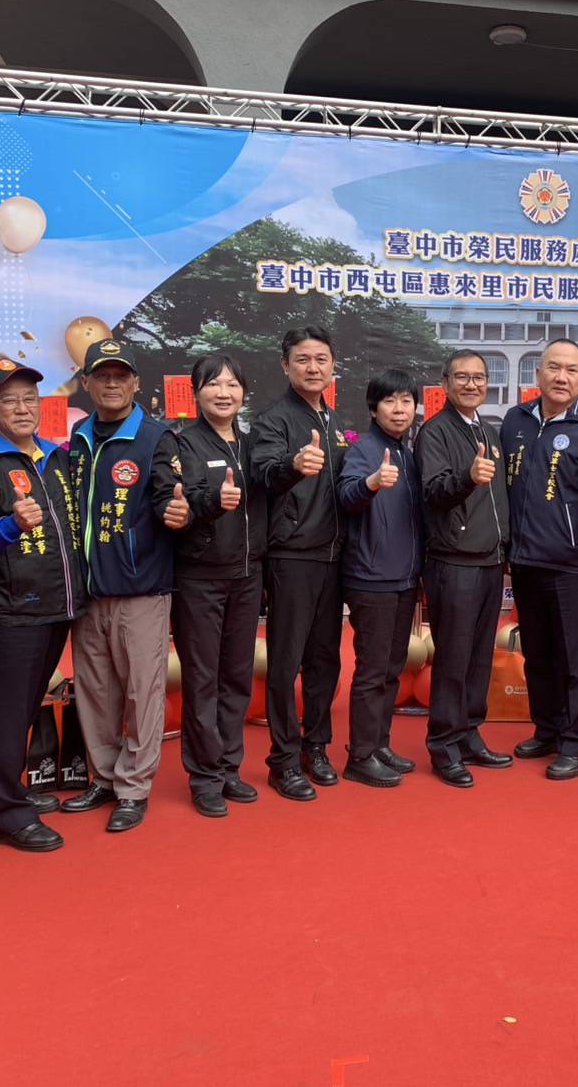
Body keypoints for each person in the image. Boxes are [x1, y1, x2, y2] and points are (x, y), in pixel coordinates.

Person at [0, 358, 84, 852]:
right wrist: (11, 525)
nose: (23, 408)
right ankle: (9, 814)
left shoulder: (53, 456)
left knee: (24, 709)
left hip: (53, 607)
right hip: (6, 612)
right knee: (6, 714)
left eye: (30, 399)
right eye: (10, 400)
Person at [62, 339, 184, 832]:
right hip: (89, 592)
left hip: (141, 590)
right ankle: (104, 778)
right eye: (102, 376)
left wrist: (177, 511)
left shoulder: (157, 438)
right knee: (96, 692)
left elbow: (168, 495)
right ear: (86, 383)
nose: (111, 384)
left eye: (121, 376)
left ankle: (134, 787)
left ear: (136, 383)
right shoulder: (77, 439)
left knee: (142, 692)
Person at [500, 338, 578, 780]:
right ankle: (548, 729)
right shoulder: (515, 420)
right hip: (524, 560)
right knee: (537, 653)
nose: (561, 377)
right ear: (538, 373)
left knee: (575, 657)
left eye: (571, 370)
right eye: (554, 367)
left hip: (570, 562)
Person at [251, 326, 349, 801]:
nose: (313, 368)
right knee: (286, 661)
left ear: (333, 366)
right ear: (285, 365)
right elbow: (263, 474)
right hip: (292, 555)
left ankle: (316, 746)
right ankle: (283, 760)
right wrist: (293, 465)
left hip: (334, 555)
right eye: (303, 359)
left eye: (321, 359)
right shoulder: (273, 420)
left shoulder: (334, 419)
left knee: (325, 659)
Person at [168, 354, 266, 818]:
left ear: (244, 393)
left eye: (232, 385)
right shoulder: (181, 444)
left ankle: (229, 767)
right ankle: (204, 776)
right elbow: (178, 504)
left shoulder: (252, 445)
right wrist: (211, 500)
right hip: (200, 578)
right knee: (203, 679)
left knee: (236, 677)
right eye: (213, 384)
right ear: (196, 392)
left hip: (247, 576)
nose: (223, 393)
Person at [415, 350, 513, 788]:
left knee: (478, 658)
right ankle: (443, 745)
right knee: (453, 658)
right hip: (453, 561)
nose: (472, 384)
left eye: (479, 377)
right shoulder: (434, 432)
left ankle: (470, 733)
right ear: (445, 383)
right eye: (462, 377)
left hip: (489, 561)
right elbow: (434, 492)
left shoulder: (488, 431)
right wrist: (468, 477)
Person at [336, 369, 424, 788]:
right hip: (371, 579)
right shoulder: (364, 450)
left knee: (391, 669)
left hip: (404, 578)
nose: (399, 409)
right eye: (390, 401)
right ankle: (360, 755)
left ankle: (379, 744)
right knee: (372, 671)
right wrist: (371, 483)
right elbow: (347, 495)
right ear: (374, 408)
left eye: (406, 400)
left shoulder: (408, 452)